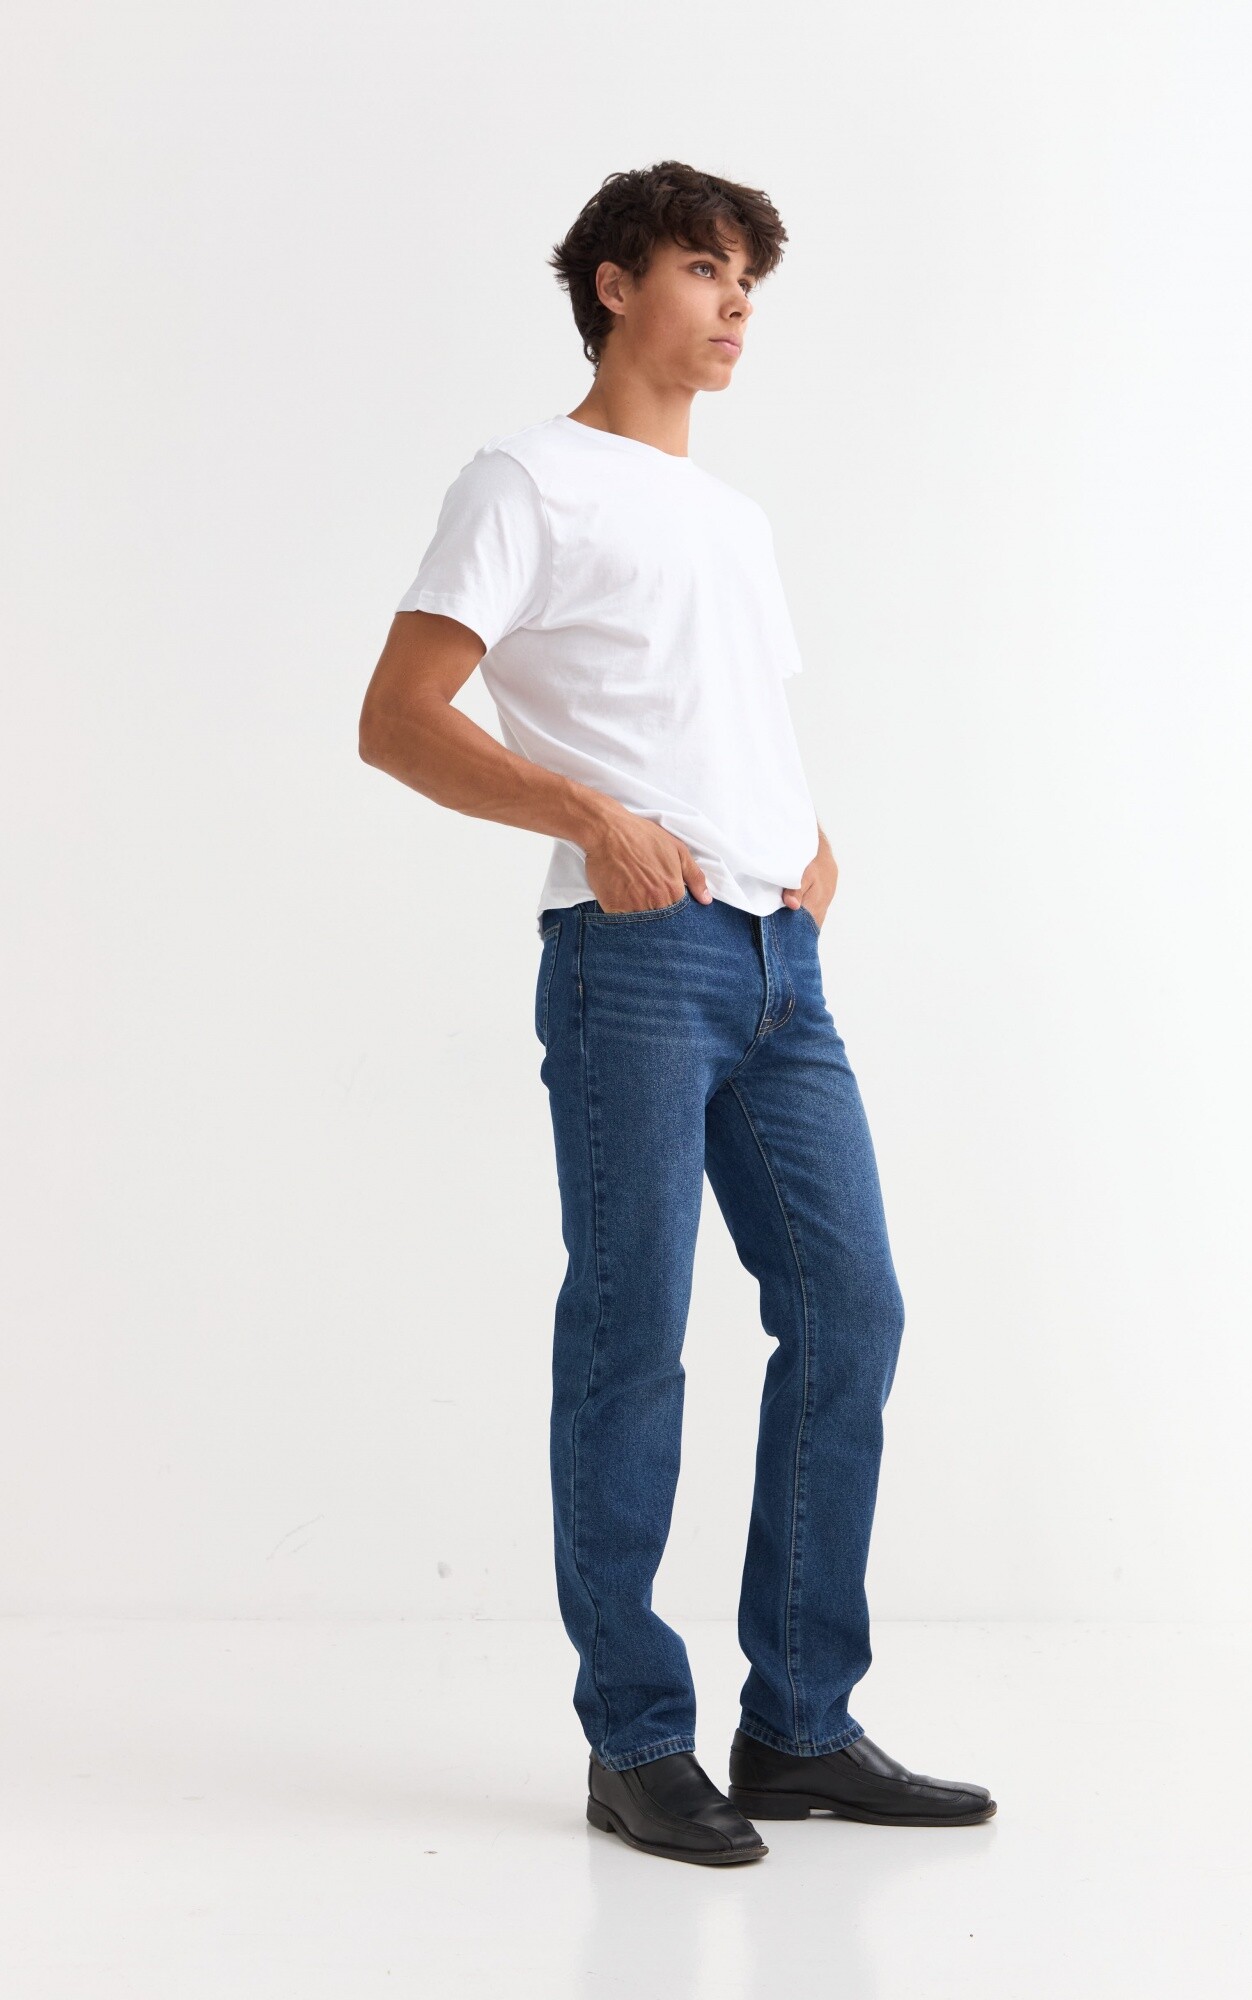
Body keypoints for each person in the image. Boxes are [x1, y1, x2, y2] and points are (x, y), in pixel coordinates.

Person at [358, 160, 995, 1866]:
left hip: (780, 961)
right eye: (706, 271)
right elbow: (398, 717)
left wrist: (805, 845)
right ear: (613, 284)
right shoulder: (525, 479)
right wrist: (587, 815)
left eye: (747, 284)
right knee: (632, 1335)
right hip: (631, 960)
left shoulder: (731, 518)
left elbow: (721, 719)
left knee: (850, 1313)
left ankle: (796, 1726)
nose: (733, 308)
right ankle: (635, 1741)